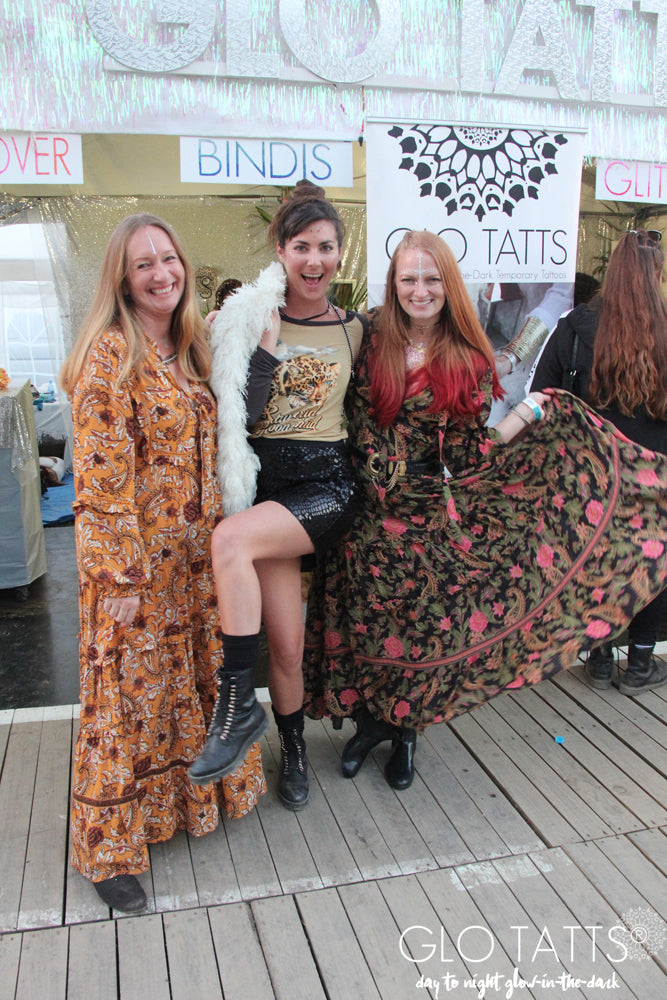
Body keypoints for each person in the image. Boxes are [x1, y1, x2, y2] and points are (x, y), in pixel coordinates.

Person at [302, 230, 667, 789]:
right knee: (366, 630)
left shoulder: (466, 358)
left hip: (425, 519)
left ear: (447, 286)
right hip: (362, 516)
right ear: (392, 283)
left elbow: (474, 454)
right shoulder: (365, 336)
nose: (419, 291)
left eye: (430, 279)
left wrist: (530, 411)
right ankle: (370, 726)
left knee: (421, 635)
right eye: (408, 279)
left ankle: (406, 737)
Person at [61, 213, 266, 913]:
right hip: (137, 567)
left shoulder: (190, 345)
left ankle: (177, 812)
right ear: (121, 277)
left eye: (169, 258)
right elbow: (97, 473)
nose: (161, 273)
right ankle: (108, 850)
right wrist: (117, 576)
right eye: (144, 263)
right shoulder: (109, 354)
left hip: (195, 561)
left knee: (181, 689)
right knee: (122, 707)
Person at [188, 181, 366, 811]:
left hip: (325, 485)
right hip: (268, 492)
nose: (313, 260)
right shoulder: (247, 317)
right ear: (282, 251)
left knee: (228, 540)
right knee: (286, 646)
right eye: (301, 247)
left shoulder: (355, 331)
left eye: (325, 247)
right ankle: (292, 750)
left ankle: (236, 710)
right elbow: (244, 410)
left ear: (339, 253)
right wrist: (257, 342)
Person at [532, 228, 667, 695]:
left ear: (612, 274)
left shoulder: (574, 328)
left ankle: (603, 657)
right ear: (659, 274)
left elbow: (543, 395)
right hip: (655, 473)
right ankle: (642, 663)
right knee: (649, 564)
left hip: (592, 474)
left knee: (600, 562)